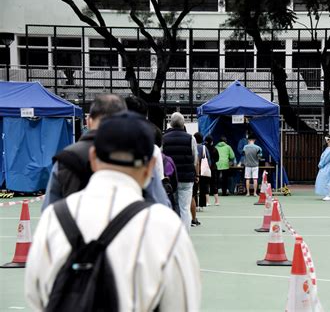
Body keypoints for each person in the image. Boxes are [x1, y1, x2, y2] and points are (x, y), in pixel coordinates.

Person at [25, 111, 201, 311]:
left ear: (92, 157)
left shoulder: (54, 217)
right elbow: (183, 305)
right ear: (151, 165)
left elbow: (35, 295)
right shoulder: (165, 226)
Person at [41, 94, 128, 210]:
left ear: (88, 121)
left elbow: (48, 212)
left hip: (72, 225)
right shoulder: (139, 157)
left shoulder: (65, 159)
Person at [162, 112, 199, 231]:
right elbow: (195, 159)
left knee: (173, 206)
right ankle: (185, 237)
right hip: (187, 178)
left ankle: (174, 235)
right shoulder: (190, 138)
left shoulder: (164, 138)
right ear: (183, 124)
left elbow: (162, 158)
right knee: (185, 208)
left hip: (170, 178)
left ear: (171, 124)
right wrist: (195, 174)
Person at [315, 135, 330, 201]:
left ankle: (328, 195)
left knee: (327, 180)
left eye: (327, 139)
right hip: (326, 166)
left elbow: (326, 158)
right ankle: (326, 194)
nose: (325, 141)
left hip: (327, 166)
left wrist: (321, 164)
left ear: (329, 140)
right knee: (324, 179)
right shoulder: (329, 148)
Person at [205, 135, 220, 206]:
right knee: (214, 184)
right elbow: (217, 159)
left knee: (206, 184)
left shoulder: (204, 149)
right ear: (212, 142)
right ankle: (217, 201)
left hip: (205, 168)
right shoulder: (215, 149)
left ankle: (207, 201)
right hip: (213, 167)